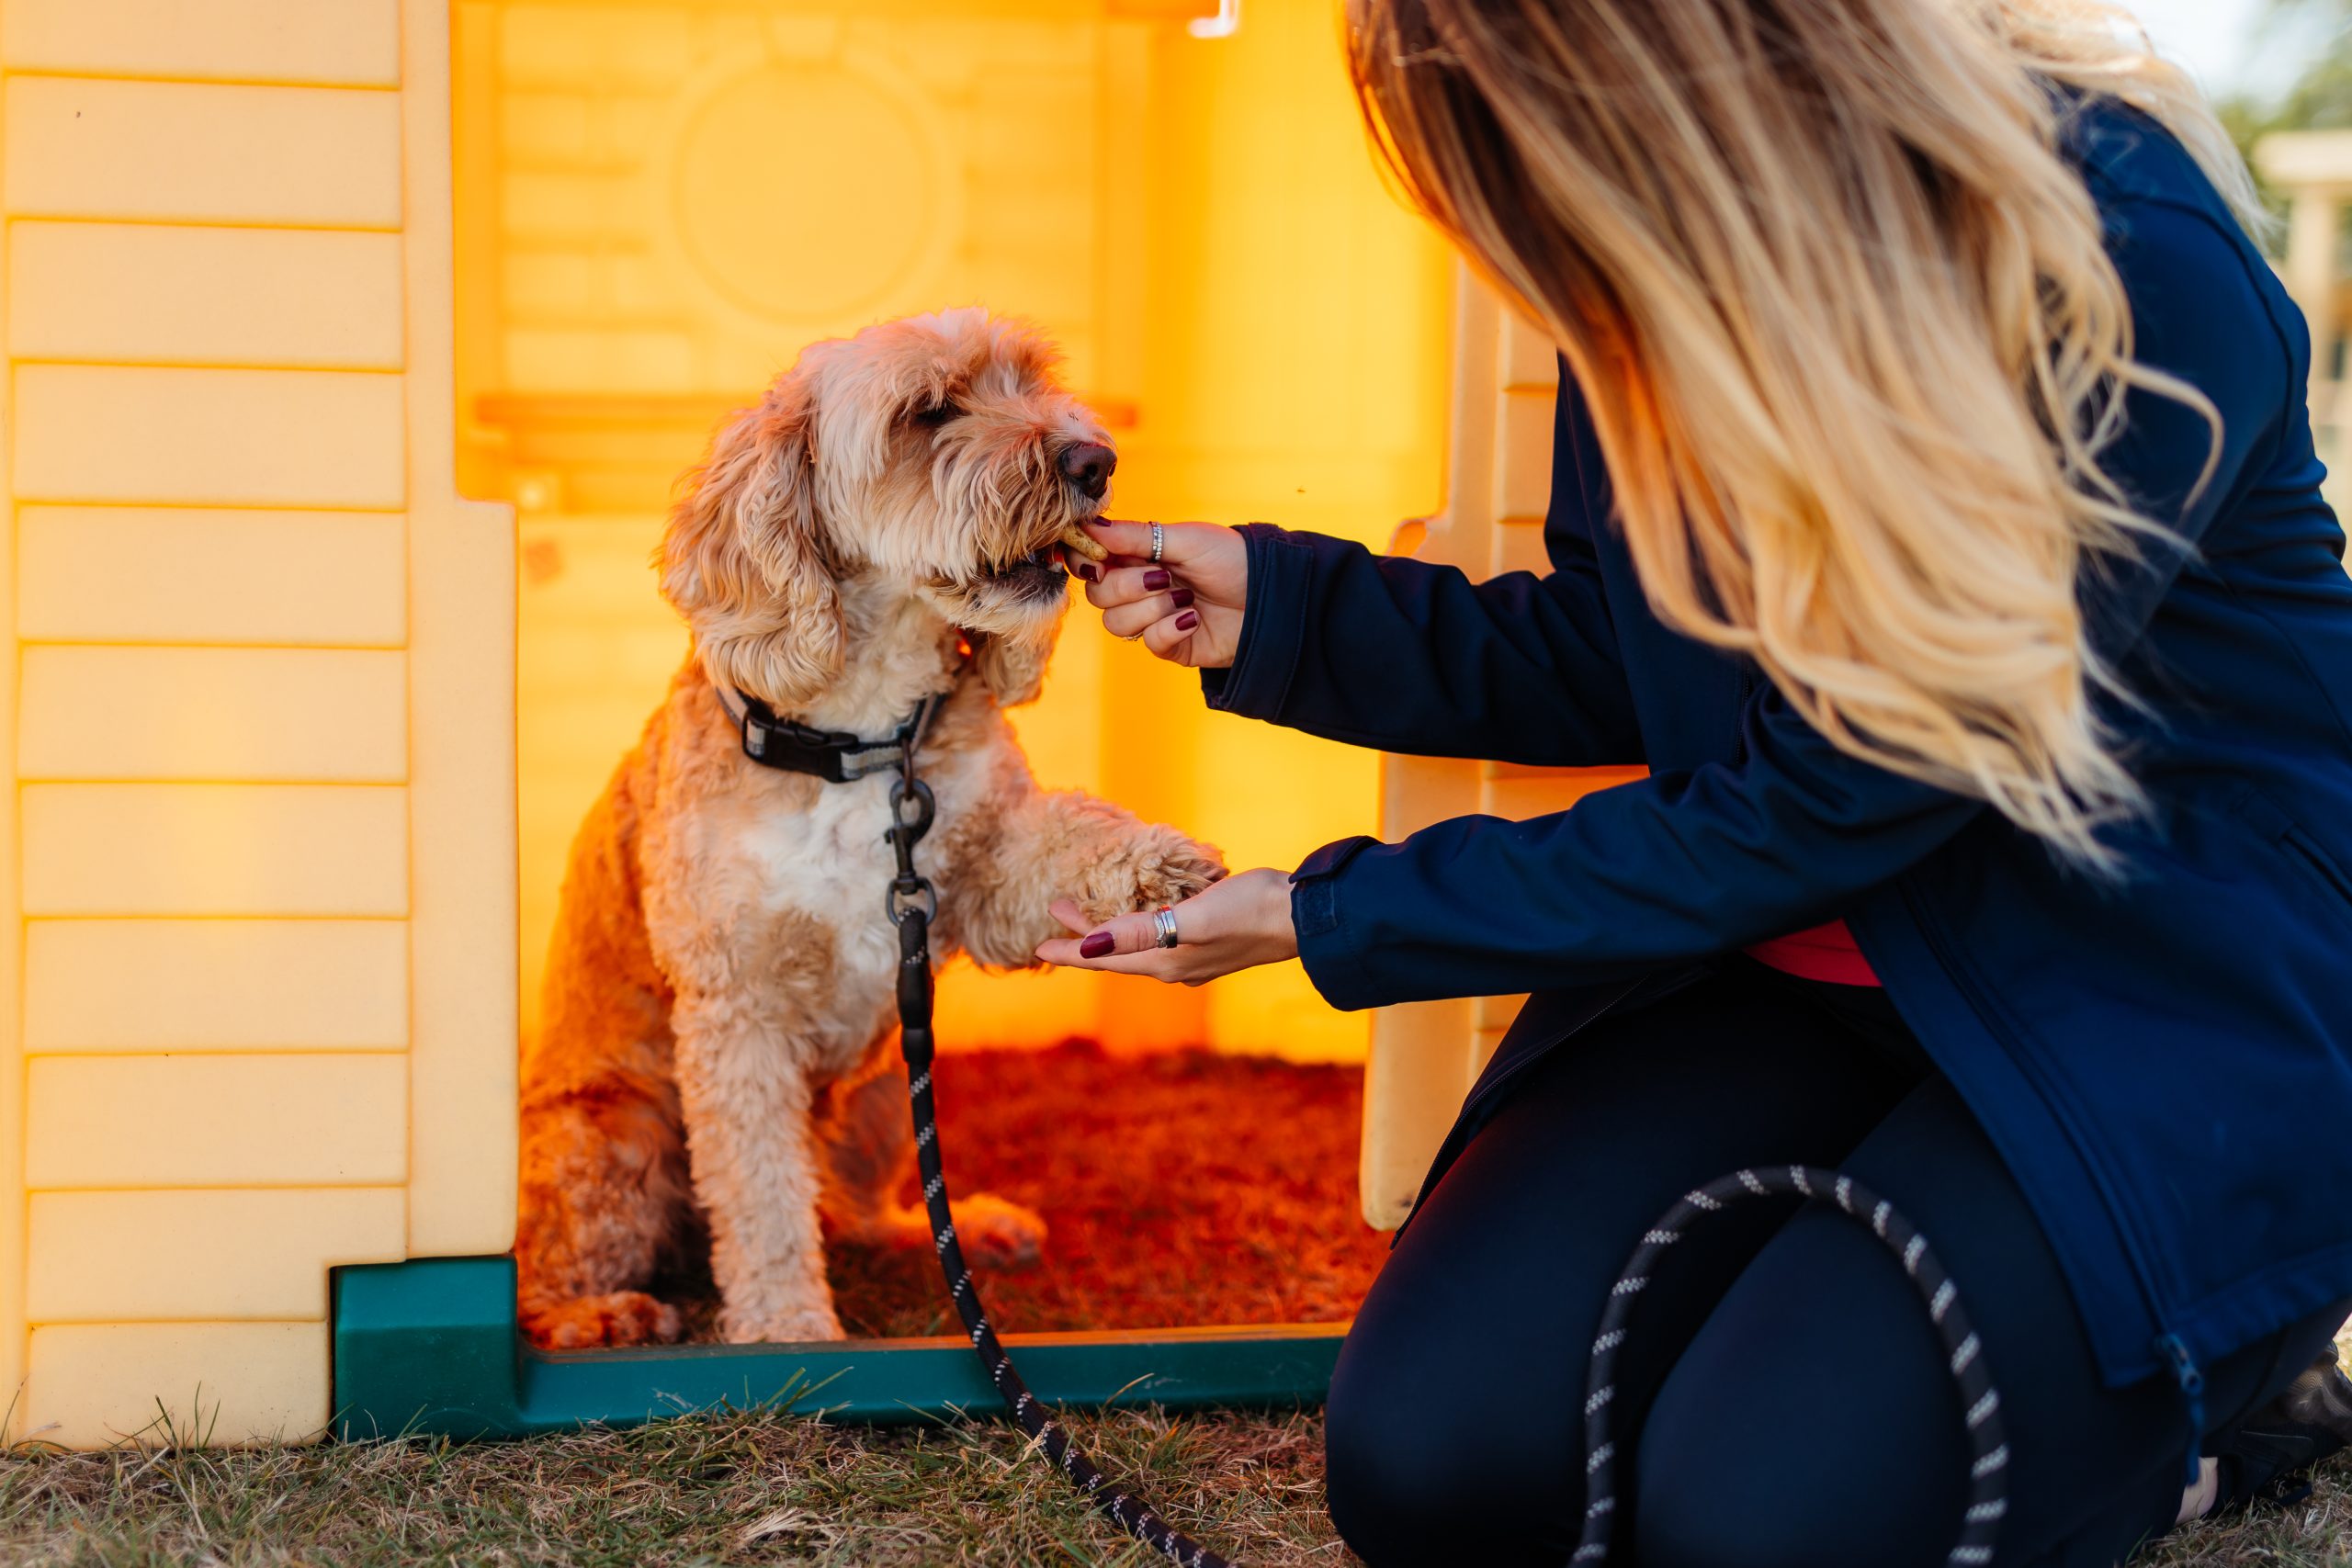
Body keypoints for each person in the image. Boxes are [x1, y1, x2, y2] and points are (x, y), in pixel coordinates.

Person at [1033, 1, 2352, 1563]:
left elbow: (1832, 791)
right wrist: (1291, 608)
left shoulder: (2107, 254)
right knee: (1438, 1466)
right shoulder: (1647, 271)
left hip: (2133, 992)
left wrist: (1328, 916)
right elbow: (1628, 646)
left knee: (1759, 1532)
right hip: (1803, 970)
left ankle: (2227, 1401)